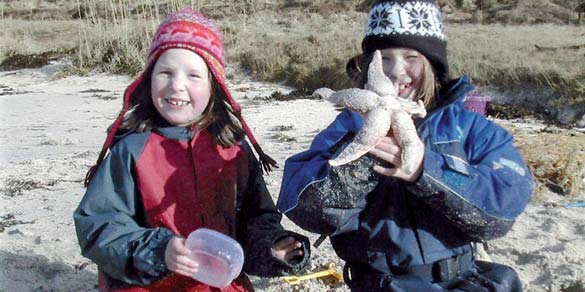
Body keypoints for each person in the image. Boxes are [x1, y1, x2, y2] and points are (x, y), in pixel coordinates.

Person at [277, 0, 533, 291]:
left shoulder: (471, 129)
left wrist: (428, 170)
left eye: (411, 56)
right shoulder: (347, 127)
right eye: (383, 59)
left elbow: (503, 209)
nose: (396, 72)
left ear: (433, 64)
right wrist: (362, 151)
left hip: (457, 281)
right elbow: (305, 207)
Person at [74, 9, 310, 292]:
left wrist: (272, 248)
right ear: (148, 79)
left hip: (219, 284)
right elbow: (98, 227)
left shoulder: (233, 149)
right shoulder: (131, 150)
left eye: (194, 76)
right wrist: (160, 250)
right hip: (147, 283)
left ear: (214, 85)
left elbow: (256, 218)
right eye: (165, 72)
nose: (176, 86)